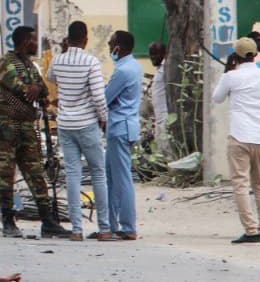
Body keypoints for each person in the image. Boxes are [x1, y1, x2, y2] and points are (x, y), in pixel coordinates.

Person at [0, 26, 71, 239]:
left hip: (27, 125)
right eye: (34, 39)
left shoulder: (29, 65)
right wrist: (33, 89)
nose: (36, 43)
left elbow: (43, 90)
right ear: (26, 40)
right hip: (7, 125)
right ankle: (8, 221)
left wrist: (36, 90)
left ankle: (48, 221)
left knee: (36, 172)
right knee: (7, 174)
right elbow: (23, 89)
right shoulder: (7, 62)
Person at [211, 37, 260, 244]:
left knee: (241, 184)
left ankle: (250, 230)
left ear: (236, 56)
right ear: (256, 55)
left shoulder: (231, 77)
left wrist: (227, 70)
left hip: (239, 136)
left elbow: (217, 98)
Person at [46, 21, 112, 241]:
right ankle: (104, 227)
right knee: (98, 174)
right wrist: (103, 119)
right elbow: (98, 96)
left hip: (65, 124)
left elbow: (50, 77)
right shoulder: (91, 62)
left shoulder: (58, 60)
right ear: (85, 39)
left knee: (72, 175)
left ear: (68, 38)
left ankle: (76, 229)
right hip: (87, 124)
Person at [104, 30, 141, 240]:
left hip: (120, 127)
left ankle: (128, 226)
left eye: (111, 44)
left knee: (122, 179)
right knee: (111, 177)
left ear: (120, 46)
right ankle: (110, 224)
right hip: (120, 126)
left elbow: (105, 97)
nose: (109, 48)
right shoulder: (132, 66)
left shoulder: (124, 70)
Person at [148, 42, 170, 155]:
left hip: (166, 118)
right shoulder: (159, 69)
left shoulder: (167, 69)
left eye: (155, 54)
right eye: (151, 54)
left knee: (165, 151)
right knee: (159, 152)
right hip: (159, 118)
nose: (152, 57)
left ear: (164, 53)